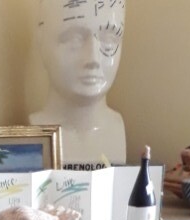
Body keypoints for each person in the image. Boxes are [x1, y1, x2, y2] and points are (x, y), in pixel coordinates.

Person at [29, 0, 127, 168]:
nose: (93, 59)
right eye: (75, 39)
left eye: (109, 39)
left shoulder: (117, 128)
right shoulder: (35, 133)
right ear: (41, 41)